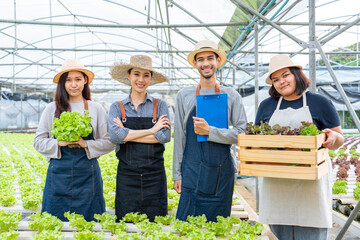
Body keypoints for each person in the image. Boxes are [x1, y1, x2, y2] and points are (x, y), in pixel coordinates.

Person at [255, 54, 344, 240]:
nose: (281, 82)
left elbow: (339, 138)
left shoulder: (320, 102)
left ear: (297, 74)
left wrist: (332, 137)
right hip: (277, 182)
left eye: (285, 75)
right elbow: (257, 141)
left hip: (311, 183)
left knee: (313, 231)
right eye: (275, 79)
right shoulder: (266, 106)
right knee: (280, 233)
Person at [172, 40, 247, 222]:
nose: (206, 63)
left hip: (221, 173)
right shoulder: (184, 96)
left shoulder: (231, 95)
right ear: (195, 64)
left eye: (210, 58)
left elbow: (242, 134)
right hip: (191, 172)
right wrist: (177, 174)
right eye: (201, 59)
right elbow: (180, 138)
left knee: (216, 227)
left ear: (218, 61)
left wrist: (210, 131)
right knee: (186, 224)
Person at [33, 59, 115, 221]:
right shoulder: (52, 108)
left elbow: (109, 142)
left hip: (88, 175)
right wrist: (59, 143)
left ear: (85, 80)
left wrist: (86, 144)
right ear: (63, 83)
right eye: (68, 80)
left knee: (90, 222)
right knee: (55, 222)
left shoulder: (95, 108)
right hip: (58, 175)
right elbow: (38, 142)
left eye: (78, 79)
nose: (73, 84)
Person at [108, 55, 171, 222]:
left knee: (156, 222)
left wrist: (127, 135)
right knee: (126, 222)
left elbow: (164, 137)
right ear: (128, 76)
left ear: (151, 78)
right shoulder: (117, 107)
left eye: (146, 75)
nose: (141, 80)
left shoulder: (160, 105)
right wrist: (152, 130)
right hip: (127, 176)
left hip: (154, 175)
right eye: (136, 74)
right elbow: (115, 136)